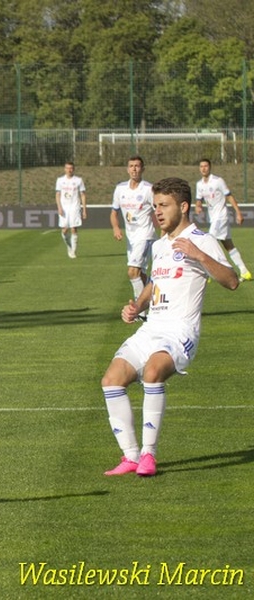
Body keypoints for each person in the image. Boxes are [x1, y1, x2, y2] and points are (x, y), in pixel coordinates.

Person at [101, 177, 238, 477]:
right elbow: (155, 282)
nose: (157, 212)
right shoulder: (160, 245)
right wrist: (137, 306)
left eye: (164, 205)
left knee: (153, 371)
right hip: (152, 328)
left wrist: (199, 255)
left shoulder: (202, 240)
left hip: (180, 332)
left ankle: (148, 455)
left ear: (184, 206)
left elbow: (231, 281)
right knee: (111, 379)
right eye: (155, 206)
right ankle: (131, 456)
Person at [195, 158, 252, 281]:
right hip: (213, 218)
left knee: (209, 241)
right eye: (201, 166)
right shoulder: (199, 184)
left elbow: (229, 196)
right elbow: (199, 199)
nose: (203, 168)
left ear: (210, 167)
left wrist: (238, 213)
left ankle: (209, 273)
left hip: (221, 217)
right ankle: (244, 271)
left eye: (206, 166)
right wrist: (198, 206)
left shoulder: (218, 181)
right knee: (228, 245)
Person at [111, 156, 156, 306]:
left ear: (143, 169)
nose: (134, 169)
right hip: (131, 238)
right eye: (131, 166)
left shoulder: (149, 189)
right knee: (141, 275)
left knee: (132, 272)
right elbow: (114, 212)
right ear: (127, 169)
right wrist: (116, 227)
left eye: (137, 166)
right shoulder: (120, 189)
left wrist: (164, 233)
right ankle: (156, 292)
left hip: (145, 235)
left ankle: (141, 310)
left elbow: (158, 211)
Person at [54, 161, 87, 258]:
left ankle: (73, 251)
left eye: (71, 168)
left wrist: (84, 209)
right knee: (64, 230)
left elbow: (82, 195)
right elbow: (57, 194)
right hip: (64, 207)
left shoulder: (78, 180)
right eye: (67, 168)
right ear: (64, 169)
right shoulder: (60, 180)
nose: (69, 170)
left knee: (73, 228)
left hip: (74, 207)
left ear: (74, 169)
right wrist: (59, 207)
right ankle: (69, 246)